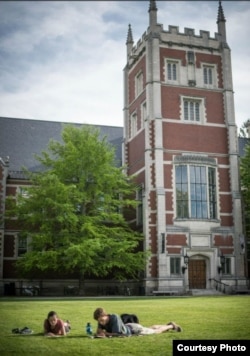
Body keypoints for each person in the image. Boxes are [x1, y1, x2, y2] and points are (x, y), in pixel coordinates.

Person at [93, 307, 182, 337]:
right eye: (99, 321)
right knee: (149, 328)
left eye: (101, 320)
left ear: (105, 315)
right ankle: (168, 325)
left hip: (133, 329)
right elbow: (99, 330)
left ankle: (171, 326)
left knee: (155, 332)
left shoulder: (114, 317)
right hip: (129, 326)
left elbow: (118, 334)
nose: (101, 323)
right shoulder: (101, 321)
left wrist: (106, 333)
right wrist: (99, 332)